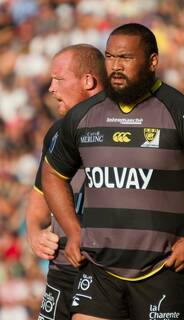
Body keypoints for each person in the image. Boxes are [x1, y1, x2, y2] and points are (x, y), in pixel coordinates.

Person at [42, 23, 184, 320]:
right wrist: (73, 231)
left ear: (152, 61)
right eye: (110, 57)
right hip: (99, 269)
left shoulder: (180, 112)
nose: (115, 66)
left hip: (161, 271)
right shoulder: (83, 116)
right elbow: (52, 175)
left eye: (125, 58)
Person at [25, 44, 107, 320]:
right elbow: (38, 204)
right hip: (61, 271)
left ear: (88, 81)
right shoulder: (58, 132)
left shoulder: (128, 126)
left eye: (58, 79)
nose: (51, 88)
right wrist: (36, 235)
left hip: (107, 271)